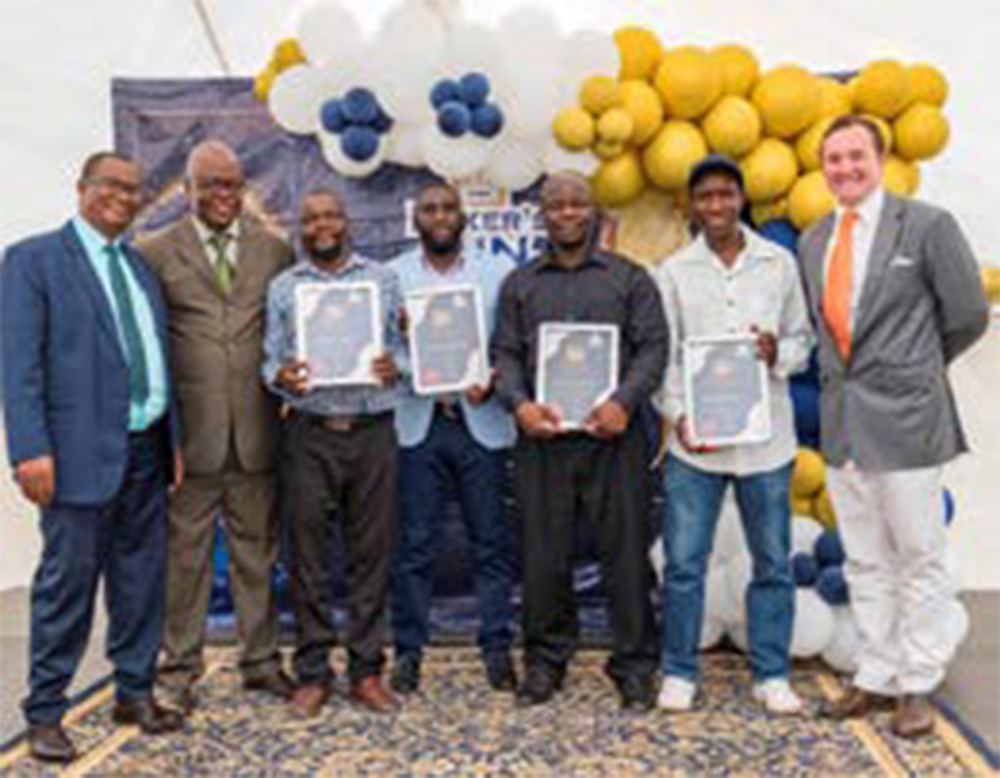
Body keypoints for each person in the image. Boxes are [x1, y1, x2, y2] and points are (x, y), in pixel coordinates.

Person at [799, 115, 989, 738]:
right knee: (865, 558)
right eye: (834, 159)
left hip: (907, 419)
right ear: (822, 167)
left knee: (920, 556)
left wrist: (915, 370)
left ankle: (918, 682)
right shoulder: (814, 238)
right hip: (844, 424)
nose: (845, 168)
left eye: (856, 157)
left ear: (879, 160)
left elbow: (965, 314)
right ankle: (875, 676)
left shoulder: (928, 225)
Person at [0, 151, 183, 763]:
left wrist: (172, 444)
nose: (123, 198)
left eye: (133, 190)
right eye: (111, 186)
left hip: (147, 451)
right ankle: (45, 712)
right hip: (73, 457)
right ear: (82, 188)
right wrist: (29, 450)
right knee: (66, 588)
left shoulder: (137, 265)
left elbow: (157, 357)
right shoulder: (34, 261)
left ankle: (134, 691)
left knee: (141, 584)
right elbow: (19, 367)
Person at [492, 172, 667, 711]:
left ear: (593, 213)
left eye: (577, 204)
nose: (567, 213)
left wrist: (624, 402)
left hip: (614, 439)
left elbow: (654, 348)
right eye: (556, 205)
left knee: (626, 557)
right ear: (541, 214)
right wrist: (520, 404)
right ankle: (545, 662)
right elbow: (505, 356)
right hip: (542, 440)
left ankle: (635, 665)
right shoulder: (520, 284)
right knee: (543, 557)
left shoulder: (630, 278)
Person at [652, 154, 814, 714]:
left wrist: (777, 354)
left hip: (766, 444)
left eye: (725, 194)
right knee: (683, 564)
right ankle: (679, 670)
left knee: (771, 561)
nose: (716, 205)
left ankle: (772, 673)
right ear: (692, 206)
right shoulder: (673, 270)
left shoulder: (779, 263)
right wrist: (679, 415)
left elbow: (803, 340)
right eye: (705, 197)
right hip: (694, 447)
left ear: (741, 199)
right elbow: (666, 358)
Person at [138, 140, 295, 713]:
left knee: (257, 555)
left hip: (258, 434)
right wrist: (163, 437)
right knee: (187, 562)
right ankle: (178, 668)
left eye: (232, 183)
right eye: (211, 184)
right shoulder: (153, 253)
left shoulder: (275, 251)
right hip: (190, 444)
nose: (224, 195)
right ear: (188, 188)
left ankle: (260, 662)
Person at [262, 189, 404, 718]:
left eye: (331, 215)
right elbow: (270, 361)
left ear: (348, 223)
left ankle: (367, 672)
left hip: (372, 432)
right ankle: (315, 673)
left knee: (372, 554)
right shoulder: (284, 288)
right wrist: (281, 378)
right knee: (308, 559)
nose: (322, 225)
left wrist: (399, 366)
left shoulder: (383, 281)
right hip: (309, 432)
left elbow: (405, 348)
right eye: (311, 217)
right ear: (300, 227)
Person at [388, 182, 518, 694]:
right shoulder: (393, 277)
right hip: (417, 423)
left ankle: (497, 649)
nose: (439, 216)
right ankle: (408, 653)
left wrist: (493, 377)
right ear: (414, 219)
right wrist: (411, 360)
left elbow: (509, 348)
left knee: (491, 543)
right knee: (415, 547)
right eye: (429, 209)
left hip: (480, 423)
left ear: (464, 218)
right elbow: (380, 353)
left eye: (447, 208)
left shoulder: (497, 273)